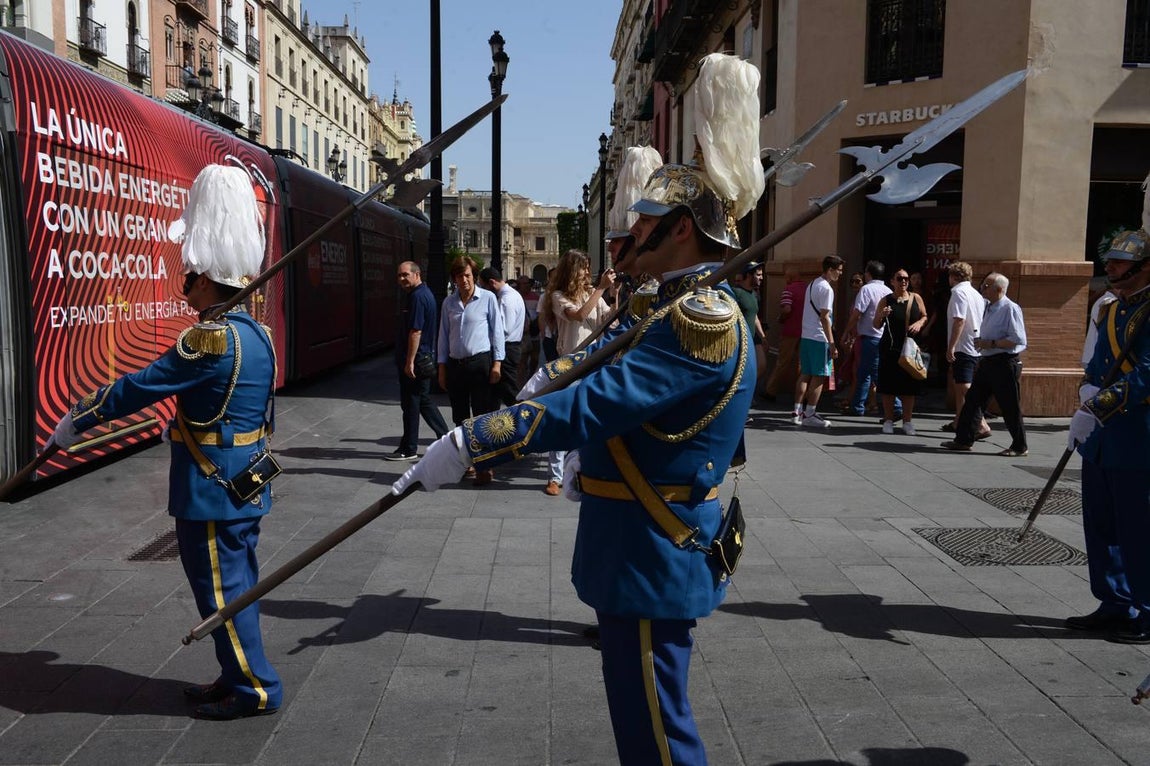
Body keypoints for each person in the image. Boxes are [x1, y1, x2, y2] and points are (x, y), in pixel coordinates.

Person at [392, 52, 763, 764]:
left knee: (659, 732)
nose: (628, 235)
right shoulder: (666, 306)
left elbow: (598, 402)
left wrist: (476, 439)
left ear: (680, 229)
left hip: (654, 547)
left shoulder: (700, 320)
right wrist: (541, 382)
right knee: (638, 717)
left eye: (646, 221)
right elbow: (590, 358)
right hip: (632, 541)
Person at [52, 165, 282, 720]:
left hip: (212, 488)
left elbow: (141, 386)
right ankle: (235, 675)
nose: (184, 282)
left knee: (222, 595)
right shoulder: (256, 332)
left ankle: (255, 689)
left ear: (206, 279)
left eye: (189, 274)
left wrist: (78, 420)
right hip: (247, 477)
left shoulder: (209, 335)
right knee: (235, 586)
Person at [1065, 211, 1150, 643]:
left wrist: (1095, 407)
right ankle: (1114, 601)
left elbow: (1146, 376)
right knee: (1101, 525)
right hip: (1103, 438)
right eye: (1111, 261)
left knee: (1139, 527)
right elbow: (1098, 365)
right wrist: (1085, 394)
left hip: (1139, 437)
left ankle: (1148, 609)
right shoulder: (1112, 308)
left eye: (1120, 264)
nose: (1111, 268)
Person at [543, 250, 615, 496]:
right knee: (563, 419)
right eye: (583, 267)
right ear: (573, 270)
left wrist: (615, 296)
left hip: (594, 362)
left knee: (589, 419)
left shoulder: (590, 293)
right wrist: (601, 289)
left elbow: (610, 320)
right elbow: (580, 315)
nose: (587, 272)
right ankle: (555, 476)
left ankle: (582, 468)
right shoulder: (558, 296)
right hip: (570, 366)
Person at [941, 273, 1028, 455]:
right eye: (983, 285)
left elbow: (1018, 338)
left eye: (987, 286)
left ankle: (1020, 446)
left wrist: (992, 343)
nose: (982, 289)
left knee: (1009, 406)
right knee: (972, 401)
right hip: (987, 362)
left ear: (999, 289)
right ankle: (964, 440)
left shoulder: (1010, 308)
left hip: (1004, 363)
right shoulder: (988, 306)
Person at [437, 255, 504, 486]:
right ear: (454, 278)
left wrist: (497, 363)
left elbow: (497, 332)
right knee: (460, 418)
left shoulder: (487, 299)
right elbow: (443, 337)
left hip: (480, 363)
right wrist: (442, 367)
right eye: (459, 276)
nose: (463, 280)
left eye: (467, 275)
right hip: (456, 366)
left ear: (473, 276)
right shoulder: (449, 303)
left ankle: (485, 465)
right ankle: (467, 462)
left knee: (482, 416)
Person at [389, 261, 450, 461]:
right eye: (399, 275)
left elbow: (416, 331)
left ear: (417, 274)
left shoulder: (417, 297)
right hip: (422, 357)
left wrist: (409, 361)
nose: (401, 279)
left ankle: (410, 448)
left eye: (405, 275)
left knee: (412, 403)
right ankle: (441, 439)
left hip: (417, 359)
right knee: (419, 401)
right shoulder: (422, 294)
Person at [874, 268, 928, 434]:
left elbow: (924, 316)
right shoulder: (886, 300)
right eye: (899, 278)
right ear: (892, 281)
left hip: (910, 349)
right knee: (888, 386)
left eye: (906, 278)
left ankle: (907, 421)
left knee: (909, 387)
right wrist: (881, 315)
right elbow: (876, 324)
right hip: (890, 348)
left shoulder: (915, 298)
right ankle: (889, 420)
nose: (903, 281)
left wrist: (919, 323)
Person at [792, 255, 844, 428]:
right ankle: (810, 413)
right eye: (839, 270)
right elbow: (825, 317)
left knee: (805, 373)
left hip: (806, 335)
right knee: (820, 375)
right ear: (830, 269)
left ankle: (797, 411)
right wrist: (832, 342)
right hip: (819, 338)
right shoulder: (827, 289)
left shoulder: (812, 284)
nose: (840, 274)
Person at [842, 260, 891, 416]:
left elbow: (857, 314)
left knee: (876, 374)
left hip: (869, 337)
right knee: (863, 373)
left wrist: (846, 331)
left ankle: (896, 407)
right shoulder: (888, 291)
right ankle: (857, 406)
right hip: (882, 337)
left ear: (868, 274)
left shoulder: (867, 289)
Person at [944, 261, 987, 435]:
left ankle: (981, 423)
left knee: (965, 388)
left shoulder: (958, 293)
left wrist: (951, 346)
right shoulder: (976, 293)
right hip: (975, 346)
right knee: (961, 386)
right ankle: (959, 422)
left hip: (964, 346)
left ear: (953, 277)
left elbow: (959, 320)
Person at [480, 267, 526, 407]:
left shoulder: (506, 299)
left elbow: (504, 329)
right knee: (498, 390)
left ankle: (523, 418)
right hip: (511, 347)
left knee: (508, 390)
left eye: (484, 287)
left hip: (507, 348)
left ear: (492, 282)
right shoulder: (511, 295)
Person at [763, 268, 805, 400]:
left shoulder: (789, 289)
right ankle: (801, 394)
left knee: (782, 362)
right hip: (806, 331)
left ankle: (771, 391)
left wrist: (781, 317)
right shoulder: (808, 289)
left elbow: (787, 309)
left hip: (790, 330)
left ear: (789, 278)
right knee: (802, 364)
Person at [732, 261, 767, 399]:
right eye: (758, 275)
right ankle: (739, 396)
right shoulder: (736, 293)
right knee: (743, 371)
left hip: (754, 338)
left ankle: (744, 393)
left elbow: (755, 317)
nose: (761, 278)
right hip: (741, 340)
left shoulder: (753, 294)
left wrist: (763, 337)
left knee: (762, 365)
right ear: (749, 275)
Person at [515, 274, 541, 383]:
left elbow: (540, 313)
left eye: (528, 283)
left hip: (534, 333)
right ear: (519, 285)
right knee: (522, 361)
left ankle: (530, 377)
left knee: (535, 359)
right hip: (522, 334)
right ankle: (522, 383)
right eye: (524, 284)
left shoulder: (536, 297)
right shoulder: (515, 297)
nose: (527, 286)